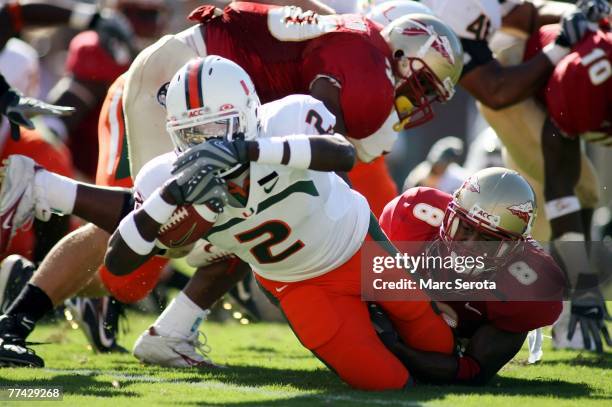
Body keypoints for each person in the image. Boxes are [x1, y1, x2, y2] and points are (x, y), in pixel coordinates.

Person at [0, 6, 464, 368]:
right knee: (168, 226)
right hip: (192, 89)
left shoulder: (350, 39)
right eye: (420, 84)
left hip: (209, 89)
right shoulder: (367, 74)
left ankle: (169, 332)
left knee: (237, 213)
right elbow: (326, 162)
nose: (415, 99)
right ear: (400, 53)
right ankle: (44, 196)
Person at [106, 55, 454, 390]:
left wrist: (249, 151)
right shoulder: (165, 176)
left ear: (246, 115)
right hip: (296, 286)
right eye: (190, 134)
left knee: (439, 344)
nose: (204, 143)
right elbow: (118, 262)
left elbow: (343, 155)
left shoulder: (288, 118)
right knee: (385, 382)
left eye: (216, 127)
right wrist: (169, 195)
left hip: (357, 244)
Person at [377, 167, 564, 384]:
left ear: (514, 247)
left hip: (464, 334)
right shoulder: (413, 214)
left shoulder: (532, 283)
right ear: (449, 214)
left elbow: (470, 372)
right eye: (465, 228)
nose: (469, 246)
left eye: (487, 240)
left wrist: (393, 347)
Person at [525, 18, 612, 352]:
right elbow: (559, 188)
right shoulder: (583, 86)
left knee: (588, 193)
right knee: (574, 195)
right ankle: (566, 306)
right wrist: (585, 281)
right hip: (522, 90)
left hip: (574, 94)